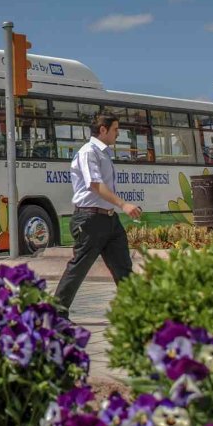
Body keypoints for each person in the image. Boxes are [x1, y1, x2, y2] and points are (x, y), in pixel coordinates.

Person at [54, 114, 142, 313]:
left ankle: (136, 312)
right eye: (115, 130)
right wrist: (124, 204)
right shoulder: (89, 152)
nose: (118, 134)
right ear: (103, 129)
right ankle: (56, 312)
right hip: (90, 219)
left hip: (109, 219)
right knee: (79, 267)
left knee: (123, 267)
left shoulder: (104, 153)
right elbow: (94, 184)